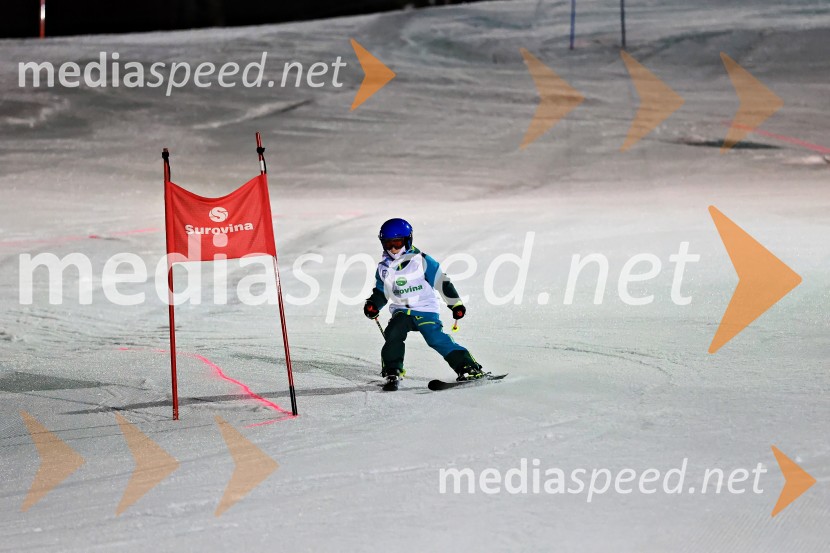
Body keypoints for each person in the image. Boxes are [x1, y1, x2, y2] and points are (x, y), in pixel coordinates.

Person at [363, 218, 485, 388]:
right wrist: (373, 304)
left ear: (408, 240)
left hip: (425, 310)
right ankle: (392, 370)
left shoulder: (421, 261)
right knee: (393, 334)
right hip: (401, 312)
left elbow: (442, 283)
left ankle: (468, 367)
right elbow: (381, 291)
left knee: (435, 338)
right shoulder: (384, 267)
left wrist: (455, 304)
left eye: (397, 243)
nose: (393, 248)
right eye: (388, 243)